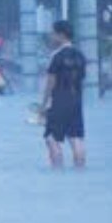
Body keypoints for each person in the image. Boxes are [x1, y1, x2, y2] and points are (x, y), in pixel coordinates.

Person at [40, 20, 87, 169]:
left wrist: (43, 105)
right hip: (76, 101)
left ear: (61, 35)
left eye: (53, 33)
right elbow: (81, 80)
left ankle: (58, 172)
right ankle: (80, 171)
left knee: (52, 138)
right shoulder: (80, 56)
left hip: (59, 100)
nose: (51, 36)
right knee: (75, 138)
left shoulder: (57, 56)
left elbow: (50, 83)